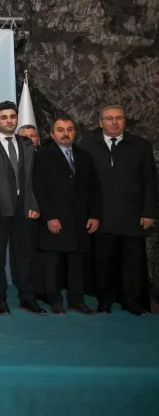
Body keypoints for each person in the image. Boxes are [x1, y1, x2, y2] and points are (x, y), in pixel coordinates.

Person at [81, 105, 158, 316]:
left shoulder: (141, 145)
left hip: (133, 216)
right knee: (103, 262)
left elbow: (150, 181)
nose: (114, 122)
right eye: (109, 118)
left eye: (119, 118)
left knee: (132, 261)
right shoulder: (87, 146)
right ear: (100, 123)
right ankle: (104, 301)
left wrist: (149, 212)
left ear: (125, 121)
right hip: (101, 216)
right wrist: (88, 213)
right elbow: (83, 185)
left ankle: (131, 301)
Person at [32, 116, 100, 315]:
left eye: (69, 129)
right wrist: (49, 217)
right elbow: (39, 188)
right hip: (55, 219)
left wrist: (94, 215)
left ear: (74, 133)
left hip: (80, 221)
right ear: (52, 134)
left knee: (77, 263)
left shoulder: (85, 157)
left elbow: (94, 189)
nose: (65, 133)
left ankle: (77, 300)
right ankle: (55, 301)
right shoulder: (43, 156)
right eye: (60, 130)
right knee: (53, 263)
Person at [0, 102, 46, 315]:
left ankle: (27, 299)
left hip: (24, 209)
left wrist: (34, 204)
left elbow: (36, 179)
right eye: (4, 117)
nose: (9, 120)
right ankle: (0, 300)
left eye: (12, 116)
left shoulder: (27, 145)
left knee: (25, 257)